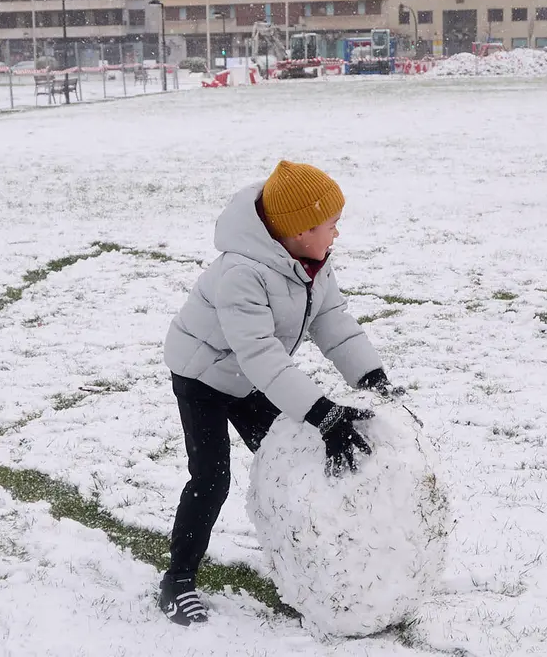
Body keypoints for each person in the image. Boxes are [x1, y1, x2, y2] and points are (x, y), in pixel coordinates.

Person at [158, 160, 405, 625]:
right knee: (211, 479)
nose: (337, 234)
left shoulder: (313, 263)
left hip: (249, 374)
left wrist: (371, 377)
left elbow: (333, 323)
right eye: (330, 225)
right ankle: (179, 580)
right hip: (203, 376)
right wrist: (323, 413)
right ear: (298, 229)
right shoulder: (242, 273)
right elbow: (263, 356)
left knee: (294, 455)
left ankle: (308, 558)